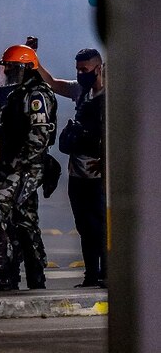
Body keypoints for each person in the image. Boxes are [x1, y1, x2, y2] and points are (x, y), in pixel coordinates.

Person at [0, 45, 57, 292]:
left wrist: (13, 165)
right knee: (23, 223)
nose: (8, 74)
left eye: (13, 68)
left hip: (26, 166)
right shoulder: (13, 97)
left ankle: (1, 276)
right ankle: (31, 277)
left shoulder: (36, 95)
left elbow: (38, 138)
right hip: (13, 166)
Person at [38, 48, 106, 288]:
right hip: (78, 173)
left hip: (101, 176)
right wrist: (33, 59)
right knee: (85, 226)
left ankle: (107, 274)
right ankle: (91, 275)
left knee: (102, 226)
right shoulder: (81, 91)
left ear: (98, 68)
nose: (79, 74)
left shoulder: (113, 96)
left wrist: (107, 162)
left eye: (84, 70)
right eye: (77, 69)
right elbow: (54, 84)